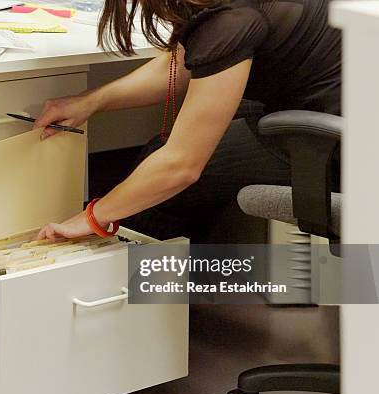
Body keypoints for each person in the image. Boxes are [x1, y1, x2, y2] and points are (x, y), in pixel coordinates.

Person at [35, 0, 341, 241]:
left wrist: (93, 217)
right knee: (161, 151)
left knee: (160, 185)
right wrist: (93, 101)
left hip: (333, 142)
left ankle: (150, 305)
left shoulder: (231, 19)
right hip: (338, 111)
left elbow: (180, 166)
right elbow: (189, 62)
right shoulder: (224, 13)